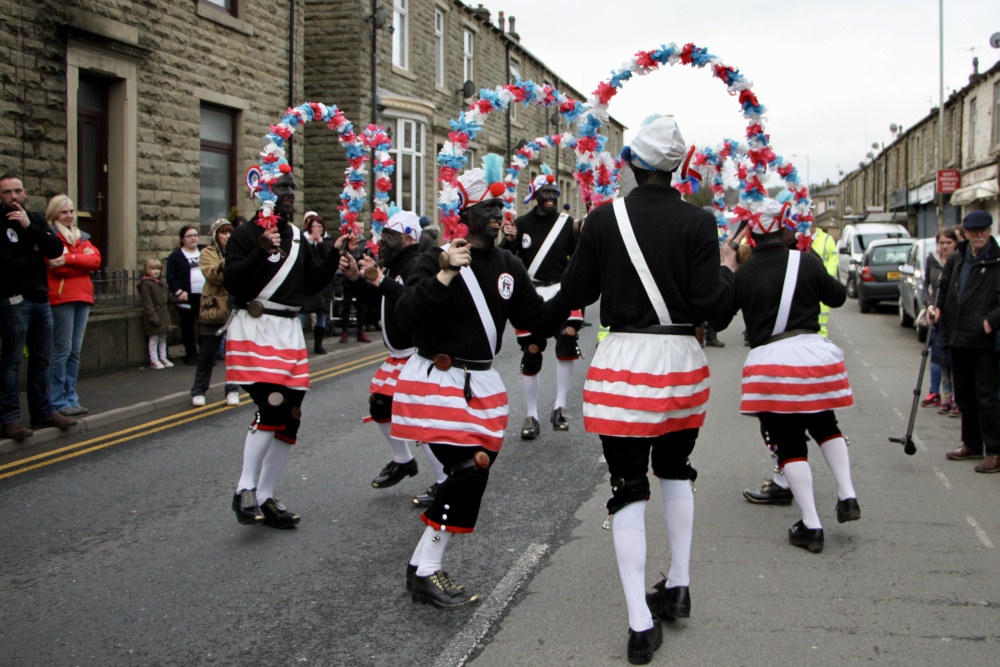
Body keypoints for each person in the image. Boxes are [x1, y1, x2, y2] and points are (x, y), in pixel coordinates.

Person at [558, 117, 736, 665]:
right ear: (678, 167)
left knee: (628, 485)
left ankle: (640, 623)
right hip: (681, 361)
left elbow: (576, 292)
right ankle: (678, 585)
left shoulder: (605, 220)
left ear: (632, 164)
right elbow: (717, 310)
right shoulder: (700, 222)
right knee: (676, 469)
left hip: (625, 364)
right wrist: (727, 269)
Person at [392, 154, 570, 609]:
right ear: (465, 215)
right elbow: (406, 318)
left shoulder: (508, 263)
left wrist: (574, 295)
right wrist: (446, 272)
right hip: (437, 380)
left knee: (471, 472)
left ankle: (421, 568)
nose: (497, 215)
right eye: (488, 209)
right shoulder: (433, 259)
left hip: (480, 385)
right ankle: (425, 571)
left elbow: (535, 317)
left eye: (500, 207)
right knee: (471, 468)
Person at [713, 198, 859, 556]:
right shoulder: (806, 261)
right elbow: (838, 297)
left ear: (751, 233)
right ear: (783, 227)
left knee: (789, 441)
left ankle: (811, 524)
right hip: (814, 355)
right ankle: (847, 496)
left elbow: (716, 321)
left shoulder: (744, 273)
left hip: (772, 361)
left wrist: (726, 270)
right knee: (827, 425)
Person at [225, 169, 341, 528]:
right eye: (281, 188)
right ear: (263, 193)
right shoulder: (245, 235)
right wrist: (261, 253)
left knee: (291, 415)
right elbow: (234, 282)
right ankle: (244, 489)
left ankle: (266, 495)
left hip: (289, 331)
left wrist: (335, 255)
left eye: (291, 187)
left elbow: (312, 282)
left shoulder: (295, 237)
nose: (289, 193)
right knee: (271, 405)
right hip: (256, 329)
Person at [339, 207, 448, 502]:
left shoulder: (417, 265)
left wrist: (380, 282)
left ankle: (445, 480)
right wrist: (354, 280)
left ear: (409, 239)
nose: (382, 241)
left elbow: (416, 301)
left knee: (420, 421)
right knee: (380, 407)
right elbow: (379, 305)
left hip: (417, 355)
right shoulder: (395, 267)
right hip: (398, 356)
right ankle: (403, 460)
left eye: (390, 235)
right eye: (382, 234)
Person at [500, 165, 582, 439]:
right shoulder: (520, 224)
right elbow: (505, 258)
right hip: (531, 294)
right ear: (535, 194)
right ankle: (531, 414)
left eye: (554, 192)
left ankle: (559, 406)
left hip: (561, 291)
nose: (551, 196)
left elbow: (580, 256)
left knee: (568, 338)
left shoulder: (566, 223)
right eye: (546, 192)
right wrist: (509, 241)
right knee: (532, 350)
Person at [0, 173, 79, 440]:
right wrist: (35, 253)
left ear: (24, 193)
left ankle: (42, 411)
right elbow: (6, 264)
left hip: (40, 299)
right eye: (7, 192)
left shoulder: (33, 218)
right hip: (13, 301)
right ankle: (10, 418)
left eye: (17, 191)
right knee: (11, 362)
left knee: (42, 358)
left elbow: (56, 249)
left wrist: (30, 229)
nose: (13, 196)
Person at [928, 210, 1000, 473]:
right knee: (965, 394)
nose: (979, 236)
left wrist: (991, 319)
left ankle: (995, 450)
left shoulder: (996, 259)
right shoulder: (958, 258)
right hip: (957, 336)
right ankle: (971, 443)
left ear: (990, 231)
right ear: (966, 233)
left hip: (985, 338)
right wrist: (934, 308)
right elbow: (942, 288)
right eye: (974, 231)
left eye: (983, 230)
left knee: (987, 397)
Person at [45, 194, 101, 416]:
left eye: (71, 211)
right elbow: (55, 267)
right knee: (62, 351)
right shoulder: (52, 236)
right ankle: (57, 400)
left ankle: (71, 397)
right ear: (54, 214)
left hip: (83, 298)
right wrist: (79, 262)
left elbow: (95, 261)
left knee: (74, 351)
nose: (68, 216)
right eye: (63, 212)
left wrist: (69, 258)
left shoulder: (82, 237)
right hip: (61, 299)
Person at [190, 218, 240, 407]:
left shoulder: (238, 252)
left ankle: (233, 389)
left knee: (234, 352)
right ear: (215, 235)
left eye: (229, 232)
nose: (227, 236)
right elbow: (215, 275)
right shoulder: (207, 253)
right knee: (207, 353)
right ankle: (198, 390)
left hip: (234, 306)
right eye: (223, 232)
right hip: (214, 308)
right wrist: (230, 258)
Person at [921, 227, 960, 415]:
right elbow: (927, 284)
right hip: (937, 313)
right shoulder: (932, 260)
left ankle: (957, 399)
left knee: (955, 360)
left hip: (955, 314)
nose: (944, 247)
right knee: (939, 358)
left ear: (956, 243)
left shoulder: (961, 260)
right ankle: (945, 397)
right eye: (941, 243)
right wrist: (928, 304)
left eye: (948, 243)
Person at [167, 225, 205, 365]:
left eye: (195, 235)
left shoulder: (204, 251)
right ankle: (191, 355)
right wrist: (179, 292)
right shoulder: (176, 256)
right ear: (183, 239)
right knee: (188, 327)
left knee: (204, 326)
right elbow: (171, 277)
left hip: (204, 296)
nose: (193, 238)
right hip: (187, 297)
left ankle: (205, 354)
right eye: (190, 236)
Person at [299, 212, 334, 354]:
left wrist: (320, 244)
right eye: (313, 226)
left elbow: (329, 258)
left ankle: (318, 344)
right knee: (302, 313)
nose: (316, 229)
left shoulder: (327, 241)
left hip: (323, 283)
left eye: (319, 226)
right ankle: (299, 344)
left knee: (321, 313)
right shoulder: (303, 241)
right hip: (308, 281)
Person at [336, 223, 372, 344]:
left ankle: (360, 331)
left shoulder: (365, 242)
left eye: (362, 228)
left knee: (361, 305)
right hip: (348, 274)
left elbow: (368, 256)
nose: (360, 231)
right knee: (347, 304)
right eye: (358, 228)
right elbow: (341, 253)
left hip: (361, 275)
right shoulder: (348, 240)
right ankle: (344, 332)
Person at [137, 258, 175, 369]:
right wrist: (153, 317)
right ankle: (154, 359)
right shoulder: (146, 284)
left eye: (158, 269)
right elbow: (148, 303)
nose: (156, 271)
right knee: (154, 339)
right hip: (155, 315)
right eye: (153, 269)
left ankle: (163, 357)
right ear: (147, 269)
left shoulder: (161, 283)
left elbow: (167, 299)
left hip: (163, 314)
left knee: (163, 338)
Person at [810, 221, 839, 338]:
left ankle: (821, 336)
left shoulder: (826, 239)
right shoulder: (801, 239)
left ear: (813, 226)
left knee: (822, 312)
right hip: (808, 281)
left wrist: (827, 275)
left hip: (822, 282)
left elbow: (833, 257)